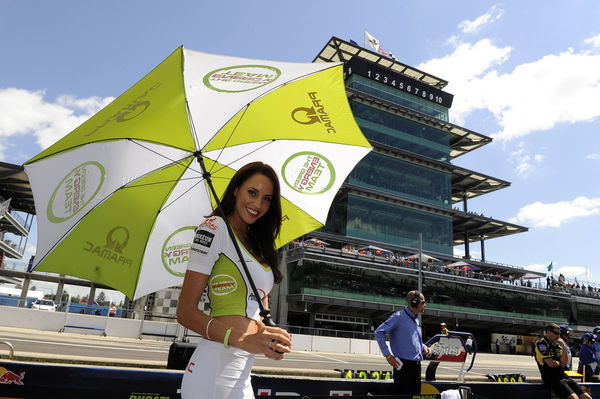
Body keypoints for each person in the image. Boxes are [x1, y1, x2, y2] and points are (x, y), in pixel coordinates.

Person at [177, 162, 292, 399]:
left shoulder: (257, 242)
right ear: (236, 189)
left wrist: (267, 338)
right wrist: (245, 340)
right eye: (252, 193)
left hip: (242, 369)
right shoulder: (214, 228)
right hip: (213, 368)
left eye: (267, 198)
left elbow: (257, 309)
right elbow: (185, 312)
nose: (258, 205)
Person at [374, 290, 432, 395]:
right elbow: (379, 332)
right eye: (423, 302)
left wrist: (423, 347)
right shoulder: (399, 317)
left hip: (416, 367)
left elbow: (413, 339)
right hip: (404, 367)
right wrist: (387, 355)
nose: (425, 305)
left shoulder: (415, 319)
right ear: (414, 302)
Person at [534, 323, 592, 399]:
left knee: (587, 397)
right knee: (574, 398)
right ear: (548, 332)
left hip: (563, 375)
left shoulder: (557, 345)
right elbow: (551, 364)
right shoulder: (541, 343)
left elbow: (565, 363)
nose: (558, 336)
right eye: (556, 333)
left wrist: (563, 345)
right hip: (551, 377)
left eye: (559, 333)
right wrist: (560, 363)